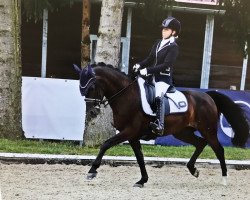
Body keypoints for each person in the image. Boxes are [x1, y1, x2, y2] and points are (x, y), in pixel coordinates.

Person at [133, 16, 181, 135]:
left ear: (173, 32)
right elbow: (150, 59)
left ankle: (160, 125)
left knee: (158, 96)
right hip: (151, 78)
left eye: (166, 29)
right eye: (163, 29)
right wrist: (139, 64)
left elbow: (166, 65)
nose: (163, 31)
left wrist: (148, 70)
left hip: (163, 79)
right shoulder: (158, 42)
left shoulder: (174, 47)